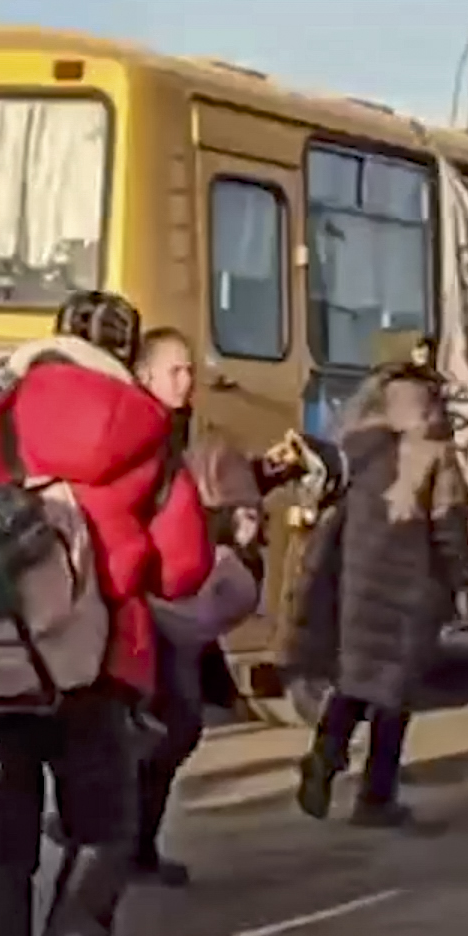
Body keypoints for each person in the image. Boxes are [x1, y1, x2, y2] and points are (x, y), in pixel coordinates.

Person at [0, 290, 211, 936]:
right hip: (98, 662)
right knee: (102, 830)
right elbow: (181, 569)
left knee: (4, 843)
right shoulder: (147, 430)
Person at [287, 365, 468, 829]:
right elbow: (447, 525)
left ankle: (322, 761)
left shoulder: (357, 447)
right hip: (410, 591)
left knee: (354, 680)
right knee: (394, 694)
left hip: (358, 582)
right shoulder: (435, 454)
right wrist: (462, 577)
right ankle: (375, 798)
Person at [133, 326, 285, 880]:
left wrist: (258, 481)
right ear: (145, 374)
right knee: (172, 723)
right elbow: (154, 513)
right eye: (174, 370)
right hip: (152, 602)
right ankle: (121, 841)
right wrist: (223, 523)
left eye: (189, 369)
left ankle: (131, 841)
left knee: (174, 724)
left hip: (179, 602)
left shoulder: (186, 432)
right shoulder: (138, 435)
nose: (187, 379)